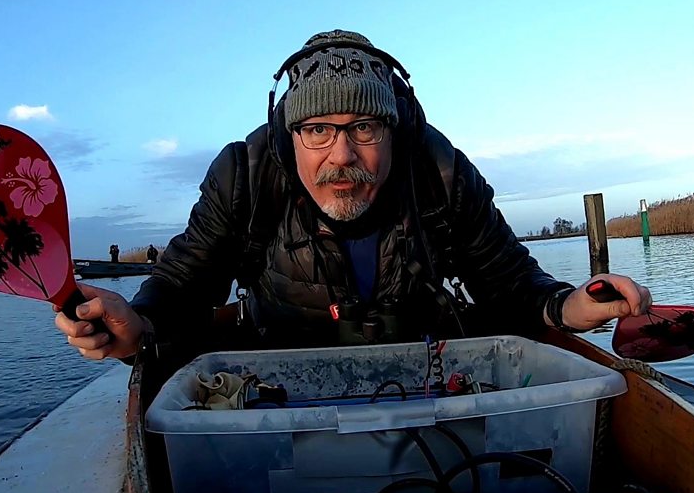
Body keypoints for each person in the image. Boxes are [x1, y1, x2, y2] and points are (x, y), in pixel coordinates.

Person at [57, 30, 651, 361]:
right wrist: (138, 324)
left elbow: (511, 283)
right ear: (289, 135)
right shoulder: (246, 177)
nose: (341, 155)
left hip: (424, 379)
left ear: (396, 131)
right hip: (277, 383)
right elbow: (185, 283)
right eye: (317, 130)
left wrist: (569, 306)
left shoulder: (441, 174)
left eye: (364, 128)